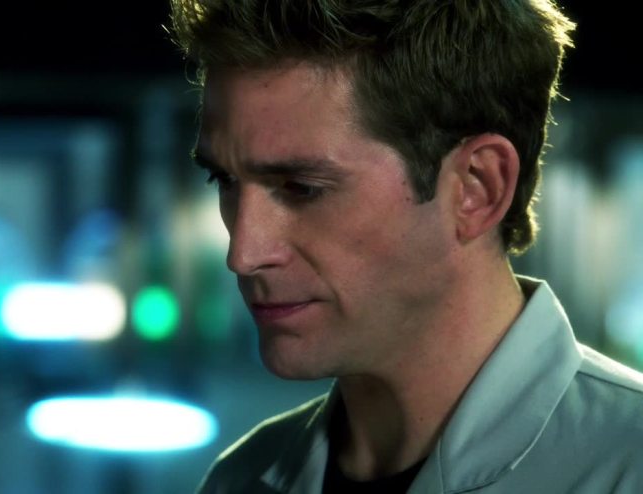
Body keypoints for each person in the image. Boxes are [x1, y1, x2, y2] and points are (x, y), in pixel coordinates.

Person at [169, 0, 643, 492]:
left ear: (478, 188)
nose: (243, 254)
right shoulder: (238, 479)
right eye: (223, 179)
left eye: (302, 188)